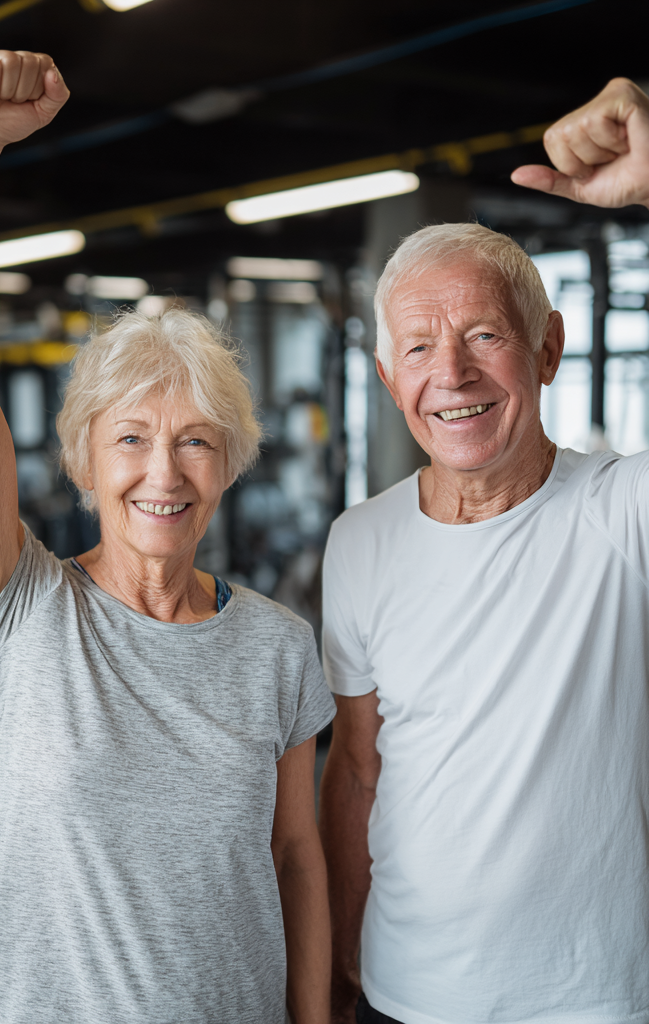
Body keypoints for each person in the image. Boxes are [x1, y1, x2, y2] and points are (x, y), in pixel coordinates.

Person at [0, 50, 336, 1023]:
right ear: (81, 460)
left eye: (196, 441)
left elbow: (294, 854)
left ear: (228, 464)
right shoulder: (22, 607)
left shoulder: (277, 644)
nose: (164, 471)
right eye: (132, 439)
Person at [320, 76, 649, 1024]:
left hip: (594, 1001)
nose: (451, 374)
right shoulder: (361, 541)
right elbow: (357, 768)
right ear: (388, 380)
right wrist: (342, 964)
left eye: (483, 336)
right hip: (404, 994)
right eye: (418, 349)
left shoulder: (620, 511)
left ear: (547, 349)